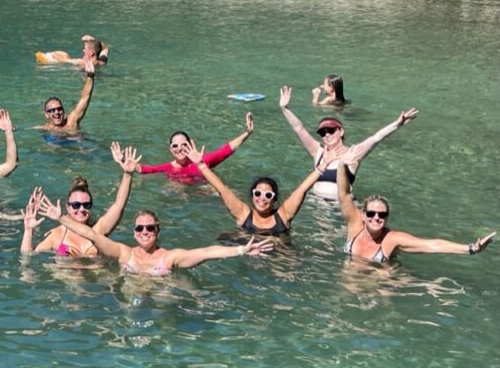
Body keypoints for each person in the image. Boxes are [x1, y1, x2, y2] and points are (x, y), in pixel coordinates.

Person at [34, 201, 275, 275]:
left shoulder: (169, 258)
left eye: (150, 228)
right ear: (134, 233)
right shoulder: (124, 253)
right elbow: (93, 235)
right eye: (139, 229)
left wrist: (241, 250)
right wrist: (61, 218)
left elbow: (205, 252)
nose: (145, 232)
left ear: (158, 231)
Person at [336, 163, 495, 263]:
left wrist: (471, 249)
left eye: (382, 215)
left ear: (387, 217)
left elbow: (433, 245)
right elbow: (343, 194)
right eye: (371, 213)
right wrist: (341, 162)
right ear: (363, 215)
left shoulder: (392, 239)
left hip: (378, 283)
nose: (376, 218)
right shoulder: (355, 224)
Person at [279, 85, 418, 198]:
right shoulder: (318, 151)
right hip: (316, 207)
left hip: (339, 210)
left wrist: (398, 124)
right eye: (322, 132)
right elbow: (299, 129)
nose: (327, 135)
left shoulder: (353, 153)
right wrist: (285, 108)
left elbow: (376, 138)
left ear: (341, 131)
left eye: (331, 131)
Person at [20, 142, 139, 256]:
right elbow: (28, 256)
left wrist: (127, 174)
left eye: (86, 205)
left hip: (96, 275)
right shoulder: (57, 235)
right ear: (68, 207)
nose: (81, 209)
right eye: (76, 205)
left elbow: (119, 205)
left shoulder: (98, 229)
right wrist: (28, 230)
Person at [186, 139, 323, 236]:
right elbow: (222, 189)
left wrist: (323, 166)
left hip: (279, 260)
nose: (262, 198)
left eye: (268, 195)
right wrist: (201, 166)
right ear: (252, 196)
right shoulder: (243, 214)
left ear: (274, 200)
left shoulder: (283, 215)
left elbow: (301, 190)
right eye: (258, 193)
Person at [139, 112, 254, 183]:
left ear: (190, 145)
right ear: (170, 149)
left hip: (203, 192)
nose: (179, 149)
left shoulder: (203, 160)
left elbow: (226, 150)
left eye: (184, 144)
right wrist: (124, 162)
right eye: (175, 145)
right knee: (172, 188)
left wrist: (247, 133)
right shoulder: (167, 168)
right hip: (182, 198)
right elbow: (146, 169)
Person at [35, 58, 96, 135]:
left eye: (59, 109)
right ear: (46, 115)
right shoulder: (45, 129)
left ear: (63, 111)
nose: (57, 112)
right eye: (52, 110)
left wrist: (90, 76)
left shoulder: (71, 122)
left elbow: (84, 98)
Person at [35, 34, 110, 68]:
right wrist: (93, 41)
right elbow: (105, 48)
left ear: (91, 53)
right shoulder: (102, 61)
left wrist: (52, 55)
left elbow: (63, 60)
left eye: (85, 48)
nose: (83, 50)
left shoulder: (82, 62)